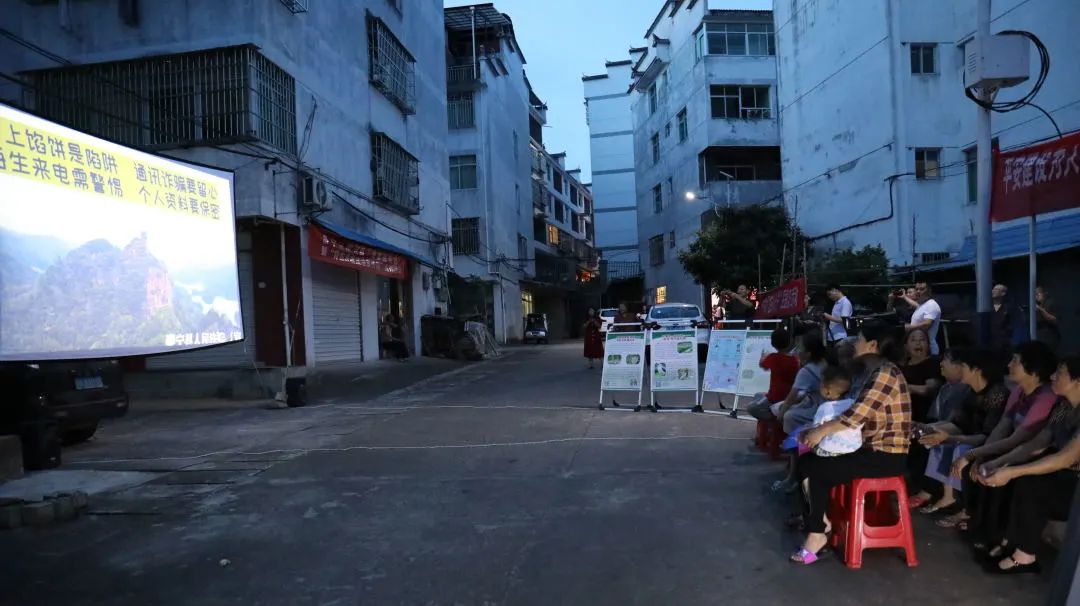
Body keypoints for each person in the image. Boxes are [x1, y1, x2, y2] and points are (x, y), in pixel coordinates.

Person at [791, 321, 912, 564]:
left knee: (816, 469)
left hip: (885, 456)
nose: (855, 344)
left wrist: (821, 431)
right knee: (806, 462)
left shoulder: (886, 374)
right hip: (869, 449)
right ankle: (819, 522)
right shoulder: (873, 372)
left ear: (872, 345)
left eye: (859, 339)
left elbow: (855, 417)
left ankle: (817, 533)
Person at [949, 341, 1059, 548]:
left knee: (994, 471)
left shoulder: (1045, 398)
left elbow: (1017, 439)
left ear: (1033, 369)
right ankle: (979, 525)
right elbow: (1001, 428)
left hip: (1029, 453)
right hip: (1011, 449)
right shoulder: (1018, 391)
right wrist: (979, 456)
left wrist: (975, 455)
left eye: (1015, 361)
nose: (1009, 365)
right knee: (979, 466)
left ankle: (996, 537)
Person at [978, 354, 1080, 574]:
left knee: (1032, 484)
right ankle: (1007, 540)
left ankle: (1025, 557)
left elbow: (1066, 458)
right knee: (1014, 473)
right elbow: (1037, 443)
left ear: (1078, 381)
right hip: (1064, 475)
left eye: (1060, 373)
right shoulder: (1063, 407)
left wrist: (1014, 471)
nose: (1052, 377)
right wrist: (1001, 463)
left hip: (1075, 485)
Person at [912, 349, 1002, 515]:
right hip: (971, 437)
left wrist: (949, 437)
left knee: (958, 447)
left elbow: (987, 436)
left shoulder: (997, 394)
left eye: (964, 366)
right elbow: (958, 423)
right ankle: (947, 496)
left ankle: (962, 506)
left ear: (976, 370)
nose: (961, 369)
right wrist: (927, 429)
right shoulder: (971, 393)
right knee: (938, 441)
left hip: (989, 443)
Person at [900, 328, 943, 508]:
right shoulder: (901, 367)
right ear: (906, 345)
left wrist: (905, 387)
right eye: (913, 340)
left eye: (922, 340)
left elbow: (929, 389)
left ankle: (927, 491)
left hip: (926, 415)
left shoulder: (932, 364)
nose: (918, 343)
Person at [905, 281, 942, 357]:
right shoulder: (922, 305)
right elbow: (914, 304)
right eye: (917, 289)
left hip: (928, 350)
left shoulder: (932, 304)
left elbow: (927, 324)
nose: (918, 291)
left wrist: (906, 327)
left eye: (922, 289)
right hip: (919, 348)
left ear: (929, 290)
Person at [991, 284, 1021, 351]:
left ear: (1003, 293)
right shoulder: (987, 307)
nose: (993, 291)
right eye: (993, 289)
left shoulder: (1009, 308)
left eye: (996, 289)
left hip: (1004, 344)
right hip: (990, 343)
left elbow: (1015, 325)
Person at [1035, 286, 1061, 352]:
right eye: (1035, 294)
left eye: (1038, 294)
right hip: (1041, 336)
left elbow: (1054, 320)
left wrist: (1040, 310)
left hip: (1050, 336)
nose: (1036, 296)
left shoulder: (1050, 303)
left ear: (1044, 293)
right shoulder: (1037, 304)